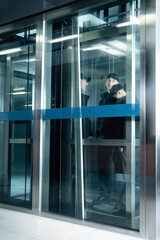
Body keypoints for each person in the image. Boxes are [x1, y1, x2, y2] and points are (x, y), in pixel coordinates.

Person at [92, 73, 126, 214]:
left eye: (112, 81)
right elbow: (100, 119)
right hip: (103, 139)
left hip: (117, 140)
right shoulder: (103, 99)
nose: (109, 83)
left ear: (117, 83)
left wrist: (122, 141)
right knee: (103, 169)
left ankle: (123, 200)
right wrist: (95, 135)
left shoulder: (121, 97)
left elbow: (123, 120)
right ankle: (104, 194)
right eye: (108, 81)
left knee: (121, 171)